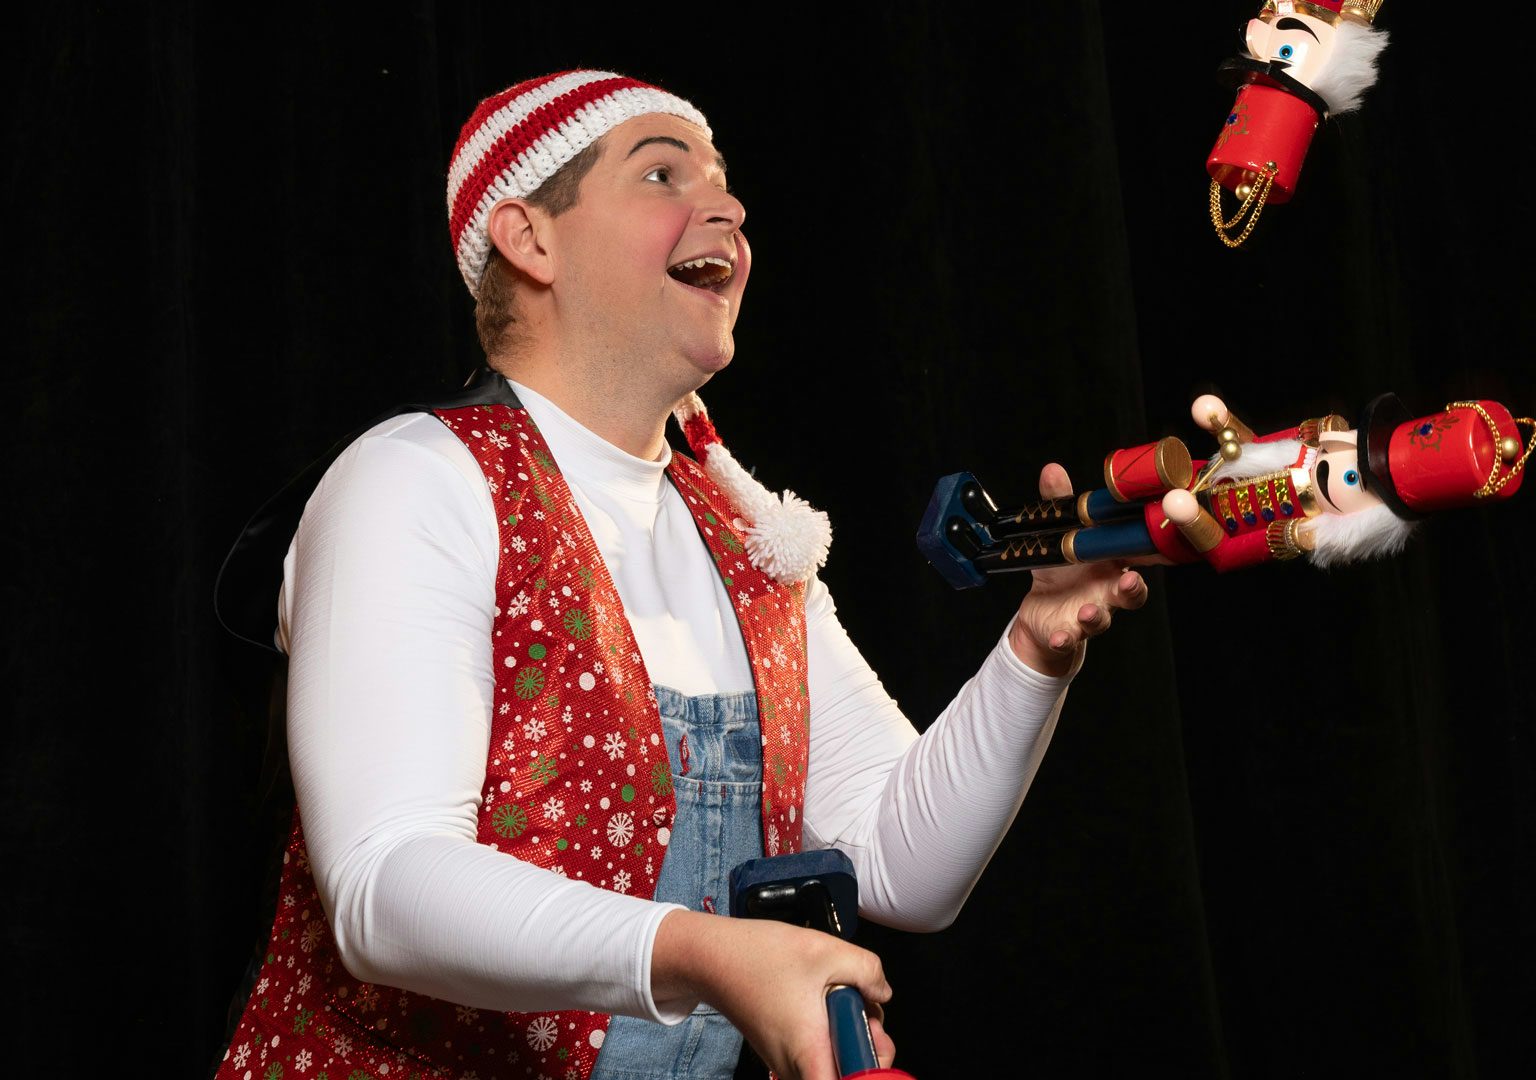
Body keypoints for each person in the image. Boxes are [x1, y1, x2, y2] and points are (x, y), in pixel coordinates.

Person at [213, 70, 1146, 1080]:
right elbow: (383, 891)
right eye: (661, 173)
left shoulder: (744, 536)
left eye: (723, 179)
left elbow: (900, 862)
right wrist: (709, 955)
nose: (729, 205)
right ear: (530, 241)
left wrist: (1035, 650)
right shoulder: (414, 480)